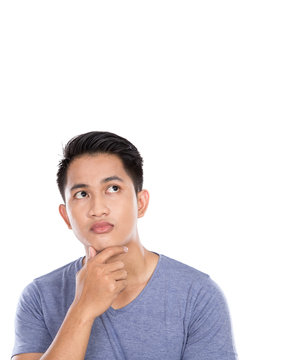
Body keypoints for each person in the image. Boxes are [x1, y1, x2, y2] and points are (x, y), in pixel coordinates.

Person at [11, 131, 238, 360]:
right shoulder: (39, 297)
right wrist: (82, 310)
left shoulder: (197, 295)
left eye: (113, 189)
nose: (98, 209)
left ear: (140, 203)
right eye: (82, 194)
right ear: (66, 216)